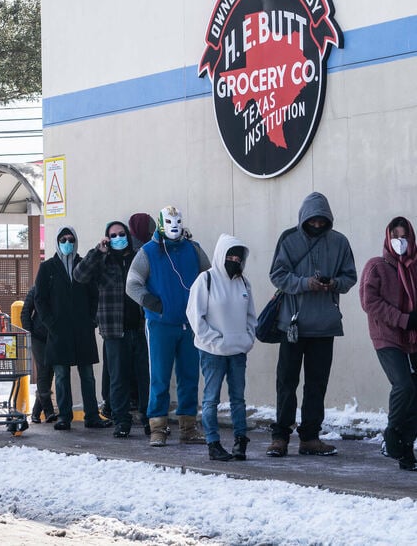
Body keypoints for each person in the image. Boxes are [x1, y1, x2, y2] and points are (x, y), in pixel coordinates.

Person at [266, 192, 357, 458]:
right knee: (286, 381)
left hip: (325, 325)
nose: (317, 225)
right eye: (312, 220)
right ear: (304, 218)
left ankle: (310, 437)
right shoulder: (289, 239)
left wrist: (334, 284)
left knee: (317, 384)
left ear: (328, 219)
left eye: (321, 221)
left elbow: (350, 276)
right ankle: (280, 436)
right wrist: (306, 283)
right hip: (292, 325)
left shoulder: (340, 242)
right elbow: (277, 275)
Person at [126, 206, 211, 447]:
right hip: (160, 324)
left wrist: (204, 305)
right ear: (162, 224)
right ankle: (158, 427)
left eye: (178, 221)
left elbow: (208, 277)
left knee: (189, 376)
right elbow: (132, 284)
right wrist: (151, 302)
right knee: (160, 377)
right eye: (170, 221)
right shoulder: (148, 252)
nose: (174, 226)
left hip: (189, 324)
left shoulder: (194, 250)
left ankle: (188, 426)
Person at [74, 220, 149, 438]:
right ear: (107, 238)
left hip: (141, 327)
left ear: (128, 235)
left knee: (145, 377)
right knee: (118, 378)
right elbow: (80, 275)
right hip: (114, 330)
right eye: (113, 235)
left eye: (121, 234)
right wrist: (97, 251)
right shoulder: (102, 260)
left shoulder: (139, 257)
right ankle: (122, 421)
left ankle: (147, 418)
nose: (118, 238)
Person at [186, 234, 257, 461]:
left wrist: (247, 339)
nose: (234, 260)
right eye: (230, 255)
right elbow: (195, 316)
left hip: (238, 351)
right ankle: (213, 443)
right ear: (221, 255)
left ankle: (240, 441)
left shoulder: (244, 283)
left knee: (238, 399)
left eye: (238, 256)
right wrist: (214, 341)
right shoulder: (205, 280)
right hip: (212, 352)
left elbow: (251, 316)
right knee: (211, 400)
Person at [359, 216, 417, 471]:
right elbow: (369, 302)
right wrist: (403, 319)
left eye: (404, 237)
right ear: (387, 238)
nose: (400, 242)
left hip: (414, 337)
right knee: (404, 385)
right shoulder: (377, 266)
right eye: (395, 237)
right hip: (388, 336)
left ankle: (405, 449)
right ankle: (392, 435)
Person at [35, 226, 103, 431]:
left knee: (88, 375)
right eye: (63, 239)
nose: (67, 243)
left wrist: (92, 319)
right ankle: (64, 416)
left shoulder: (84, 265)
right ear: (57, 242)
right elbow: (40, 299)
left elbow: (95, 295)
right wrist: (50, 323)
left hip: (82, 329)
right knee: (62, 375)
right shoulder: (47, 268)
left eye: (71, 239)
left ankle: (92, 416)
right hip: (58, 331)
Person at [20, 285, 56, 424]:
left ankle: (36, 412)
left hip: (53, 337)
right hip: (38, 337)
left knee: (49, 372)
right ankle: (49, 411)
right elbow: (25, 312)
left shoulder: (58, 288)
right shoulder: (36, 290)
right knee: (43, 371)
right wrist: (30, 333)